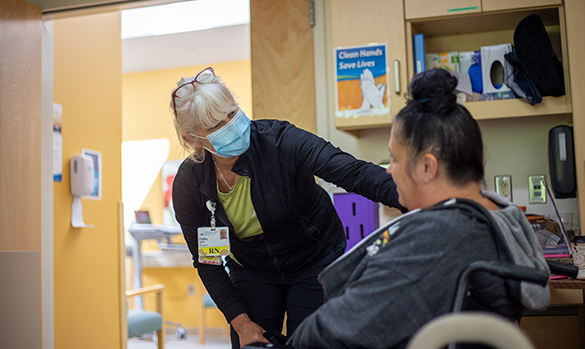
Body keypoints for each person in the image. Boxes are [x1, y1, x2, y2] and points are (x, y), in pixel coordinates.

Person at [288, 68, 550, 349]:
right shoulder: (493, 214)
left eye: (394, 158)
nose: (388, 170)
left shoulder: (440, 237)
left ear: (427, 166)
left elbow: (330, 334)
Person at [169, 67, 404, 348]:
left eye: (232, 113)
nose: (232, 125)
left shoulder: (279, 140)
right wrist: (241, 324)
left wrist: (416, 197)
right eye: (216, 125)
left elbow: (351, 172)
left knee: (311, 342)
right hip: (252, 269)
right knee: (253, 344)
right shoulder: (189, 183)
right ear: (192, 139)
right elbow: (208, 262)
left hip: (313, 258)